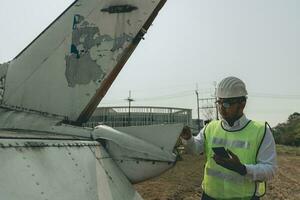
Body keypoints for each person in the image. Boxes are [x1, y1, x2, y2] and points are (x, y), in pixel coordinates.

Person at [181, 76, 277, 200]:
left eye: (227, 103)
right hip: (209, 196)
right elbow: (195, 149)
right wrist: (188, 139)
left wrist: (242, 169)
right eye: (219, 102)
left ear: (242, 103)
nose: (221, 108)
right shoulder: (210, 127)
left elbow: (270, 170)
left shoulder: (261, 131)